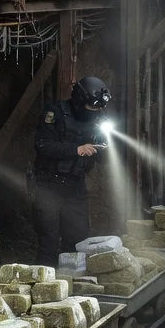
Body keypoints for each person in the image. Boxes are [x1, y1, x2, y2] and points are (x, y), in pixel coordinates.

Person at [33, 76, 111, 261]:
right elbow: (43, 145)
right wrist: (77, 149)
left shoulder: (99, 119)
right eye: (92, 107)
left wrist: (103, 148)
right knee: (48, 242)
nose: (96, 111)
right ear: (79, 101)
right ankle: (46, 286)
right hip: (49, 185)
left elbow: (104, 160)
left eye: (99, 108)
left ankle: (72, 284)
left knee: (78, 241)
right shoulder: (55, 114)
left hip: (76, 186)